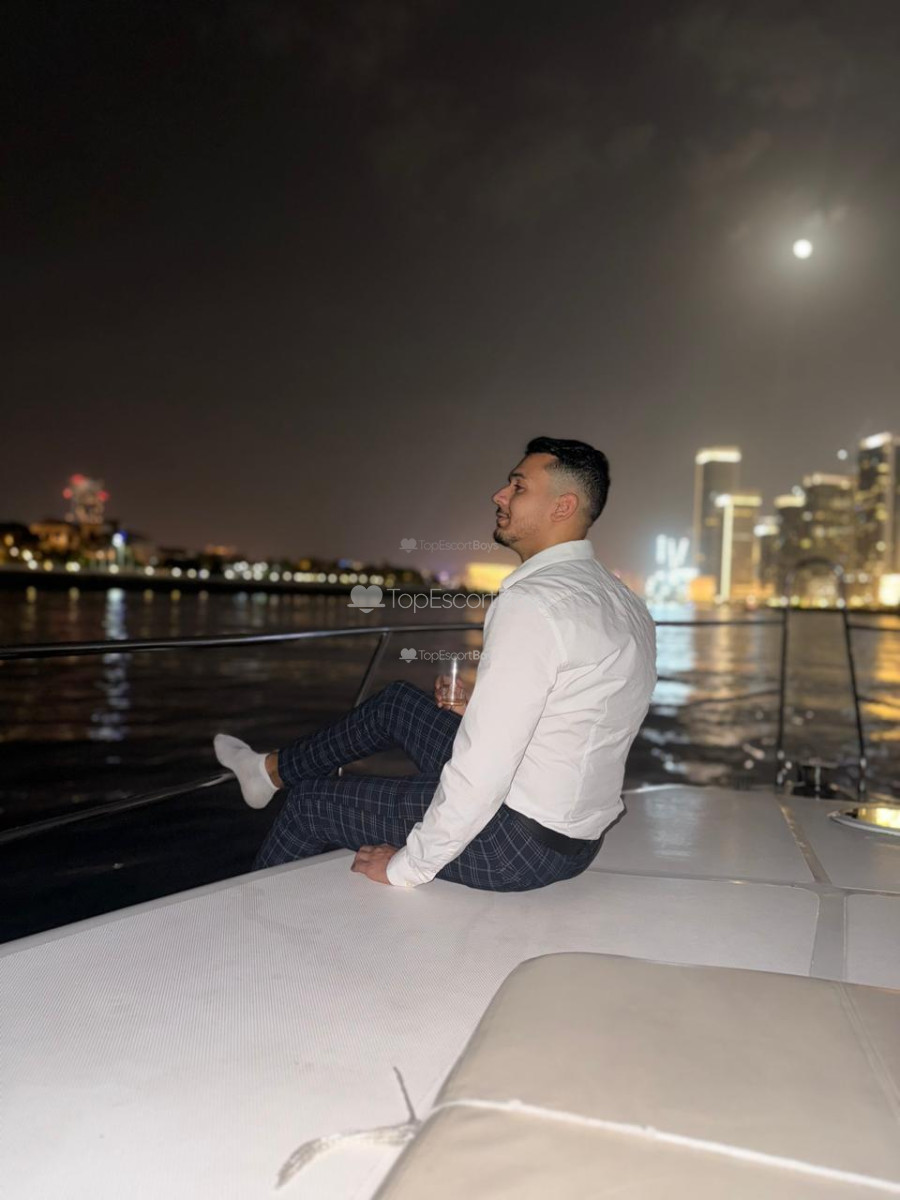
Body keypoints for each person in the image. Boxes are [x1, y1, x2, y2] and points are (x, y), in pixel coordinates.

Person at [214, 436, 657, 891]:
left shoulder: (533, 602)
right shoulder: (624, 600)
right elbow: (588, 716)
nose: (499, 495)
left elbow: (485, 766)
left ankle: (246, 923)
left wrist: (408, 865)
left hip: (514, 844)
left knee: (310, 804)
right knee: (399, 704)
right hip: (575, 838)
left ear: (562, 507)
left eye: (518, 487)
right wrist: (481, 709)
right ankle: (267, 772)